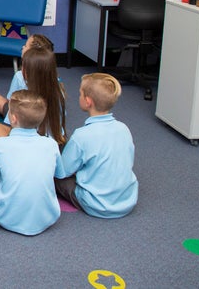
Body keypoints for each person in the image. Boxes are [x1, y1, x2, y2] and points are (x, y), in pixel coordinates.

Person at [0, 90, 66, 236]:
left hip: (7, 216)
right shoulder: (51, 145)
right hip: (47, 217)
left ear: (14, 119)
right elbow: (59, 174)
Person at [55, 73, 138, 219]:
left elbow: (62, 172)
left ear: (88, 102)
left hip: (96, 205)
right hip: (128, 201)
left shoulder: (82, 135)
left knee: (56, 175)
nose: (78, 96)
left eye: (80, 93)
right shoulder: (124, 128)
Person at [0, 46, 66, 146]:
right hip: (52, 140)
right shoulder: (58, 91)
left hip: (27, 140)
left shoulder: (25, 95)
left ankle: (7, 145)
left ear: (28, 72)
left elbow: (14, 124)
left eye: (23, 66)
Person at [0, 34, 53, 119]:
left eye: (26, 46)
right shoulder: (53, 78)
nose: (22, 47)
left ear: (32, 53)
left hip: (24, 117)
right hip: (45, 116)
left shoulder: (20, 76)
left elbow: (11, 102)